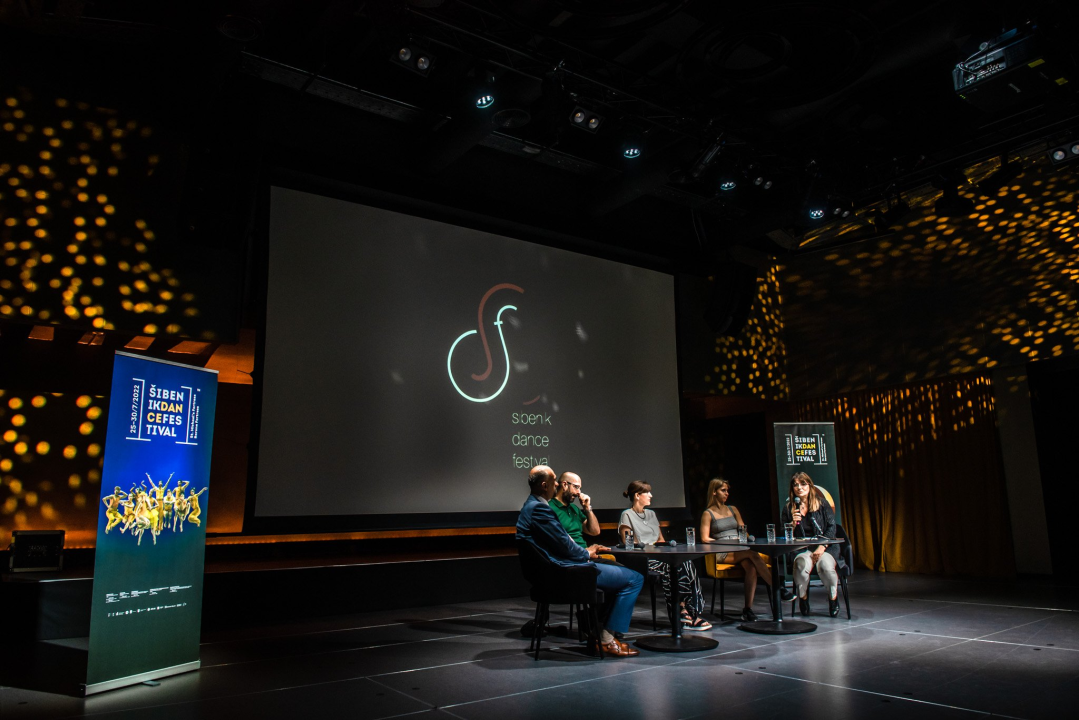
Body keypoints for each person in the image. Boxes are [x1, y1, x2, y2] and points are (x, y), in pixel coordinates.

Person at [517, 465, 643, 657]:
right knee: (634, 579)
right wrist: (586, 553)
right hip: (566, 571)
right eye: (554, 481)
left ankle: (596, 635)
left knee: (618, 573)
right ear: (544, 485)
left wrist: (587, 549)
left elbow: (575, 537)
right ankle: (605, 639)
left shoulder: (531, 506)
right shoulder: (540, 509)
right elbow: (565, 545)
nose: (556, 484)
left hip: (564, 566)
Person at [618, 480, 711, 631]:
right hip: (643, 558)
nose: (651, 495)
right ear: (637, 495)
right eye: (647, 492)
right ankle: (682, 612)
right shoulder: (627, 515)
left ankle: (686, 610)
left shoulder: (651, 514)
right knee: (672, 566)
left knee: (685, 562)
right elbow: (627, 542)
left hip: (659, 555)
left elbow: (660, 540)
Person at [699, 478, 773, 622]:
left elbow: (743, 529)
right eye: (723, 490)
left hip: (739, 548)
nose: (727, 493)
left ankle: (747, 609)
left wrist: (747, 538)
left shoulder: (733, 509)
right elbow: (705, 538)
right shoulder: (708, 513)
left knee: (751, 567)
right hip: (722, 551)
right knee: (751, 554)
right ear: (714, 492)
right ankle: (776, 588)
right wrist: (724, 543)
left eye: (727, 491)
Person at [781, 471, 840, 617]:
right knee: (801, 565)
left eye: (803, 484)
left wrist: (821, 547)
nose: (799, 488)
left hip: (824, 546)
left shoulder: (822, 503)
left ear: (809, 485)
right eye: (795, 485)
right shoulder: (788, 508)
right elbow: (783, 534)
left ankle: (833, 598)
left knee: (825, 567)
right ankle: (803, 598)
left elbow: (832, 527)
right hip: (801, 548)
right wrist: (792, 524)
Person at [548, 471, 600, 548]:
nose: (579, 492)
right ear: (565, 485)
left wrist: (587, 508)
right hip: (570, 553)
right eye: (576, 487)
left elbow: (595, 531)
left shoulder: (574, 508)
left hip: (584, 552)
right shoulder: (549, 508)